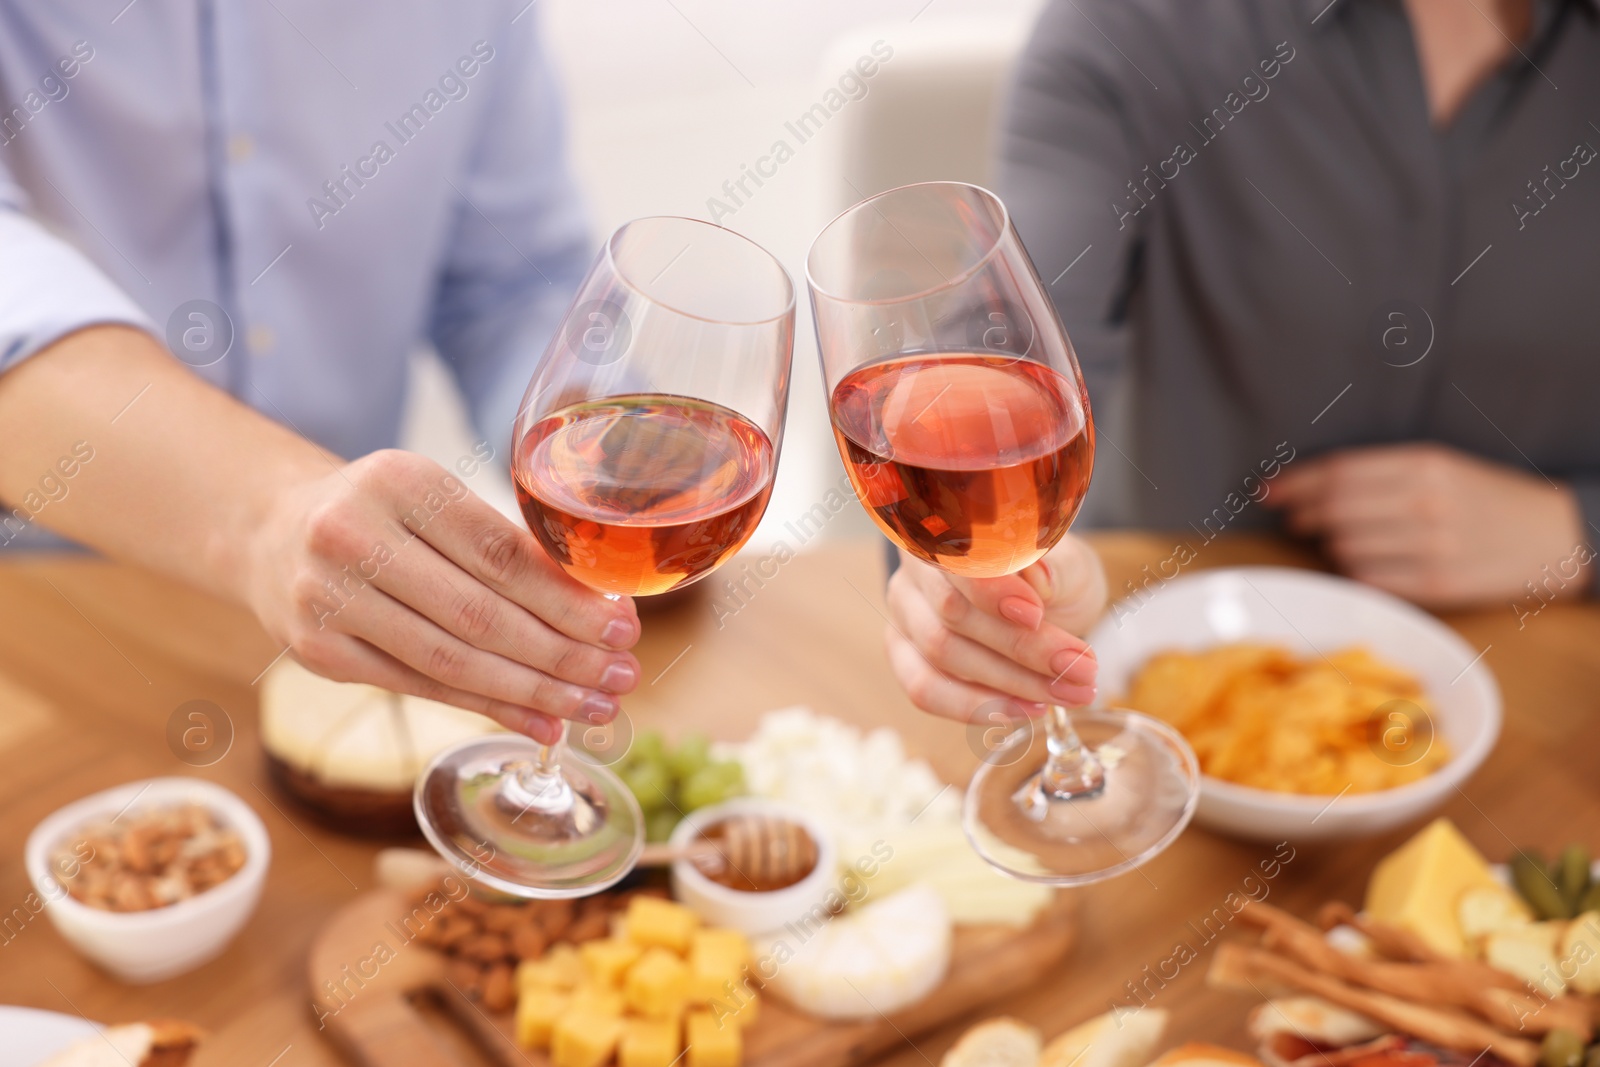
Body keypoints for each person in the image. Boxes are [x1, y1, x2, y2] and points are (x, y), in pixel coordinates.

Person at [885, 0, 1599, 722]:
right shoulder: (1135, 24)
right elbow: (1002, 350)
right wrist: (962, 572)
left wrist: (1579, 532)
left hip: (1552, 691)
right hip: (1156, 682)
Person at [0, 6, 640, 745]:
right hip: (52, 619)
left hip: (364, 638)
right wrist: (269, 511)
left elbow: (511, 281)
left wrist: (602, 449)